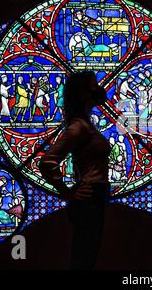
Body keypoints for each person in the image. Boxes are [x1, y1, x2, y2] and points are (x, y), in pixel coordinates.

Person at [39, 70, 111, 269]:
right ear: (84, 93)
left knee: (88, 255)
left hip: (96, 195)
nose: (99, 89)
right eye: (94, 85)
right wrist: (68, 192)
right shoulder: (78, 127)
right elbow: (47, 162)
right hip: (90, 196)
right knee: (83, 258)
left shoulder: (86, 124)